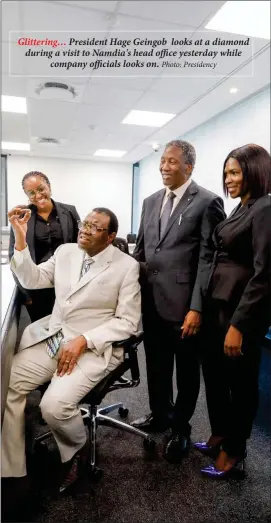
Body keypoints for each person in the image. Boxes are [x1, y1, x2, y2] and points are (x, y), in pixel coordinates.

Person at [2, 206, 141, 495]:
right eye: (84, 223)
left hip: (91, 347)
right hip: (55, 338)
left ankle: (76, 449)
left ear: (111, 236)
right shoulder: (66, 251)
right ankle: (11, 466)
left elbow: (128, 322)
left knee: (53, 406)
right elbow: (32, 279)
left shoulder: (126, 266)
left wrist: (84, 341)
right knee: (8, 381)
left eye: (94, 227)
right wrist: (19, 239)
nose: (85, 229)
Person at [131, 139, 226, 463]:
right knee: (156, 365)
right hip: (152, 302)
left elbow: (207, 260)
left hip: (186, 307)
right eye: (162, 161)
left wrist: (197, 307)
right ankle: (160, 415)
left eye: (171, 161)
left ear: (189, 166)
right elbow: (142, 252)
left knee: (186, 372)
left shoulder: (207, 202)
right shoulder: (149, 201)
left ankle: (181, 427)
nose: (164, 167)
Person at [195, 144, 271, 478]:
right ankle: (221, 435)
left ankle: (234, 451)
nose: (229, 179)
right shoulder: (242, 207)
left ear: (256, 171)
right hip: (218, 306)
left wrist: (239, 324)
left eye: (235, 172)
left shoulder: (266, 208)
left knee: (239, 384)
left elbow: (264, 273)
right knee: (215, 376)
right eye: (226, 172)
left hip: (240, 313)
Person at [8, 171, 80, 322]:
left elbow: (79, 247)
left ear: (49, 187)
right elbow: (14, 258)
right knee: (42, 331)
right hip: (37, 288)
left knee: (69, 327)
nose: (38, 195)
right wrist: (25, 293)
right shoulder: (21, 218)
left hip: (68, 284)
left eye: (41, 189)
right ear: (26, 195)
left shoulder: (69, 211)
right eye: (31, 192)